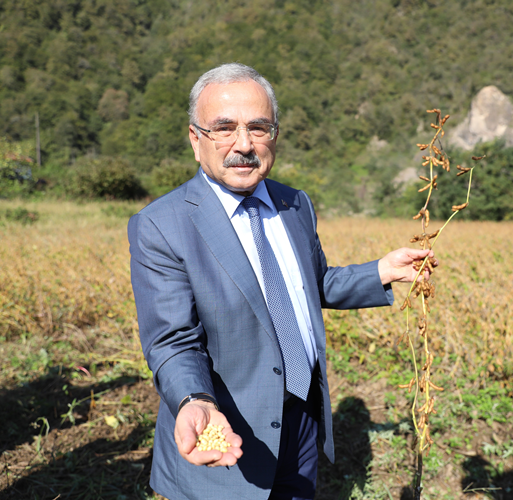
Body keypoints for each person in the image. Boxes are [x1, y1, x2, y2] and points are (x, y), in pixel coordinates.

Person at [128, 63, 433, 500]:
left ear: (276, 135)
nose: (243, 144)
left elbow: (310, 286)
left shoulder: (295, 204)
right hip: (230, 424)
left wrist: (381, 271)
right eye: (224, 128)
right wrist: (195, 400)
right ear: (196, 140)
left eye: (258, 127)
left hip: (303, 417)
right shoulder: (162, 225)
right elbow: (173, 341)